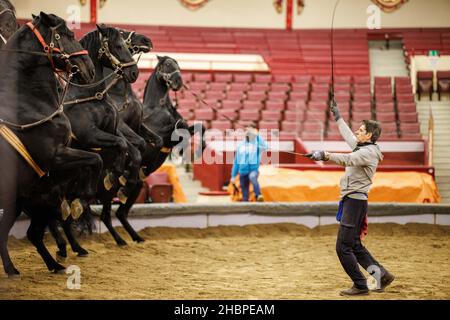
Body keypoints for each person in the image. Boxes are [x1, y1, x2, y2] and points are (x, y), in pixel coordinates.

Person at [306, 101, 395, 296]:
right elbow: (348, 135)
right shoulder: (363, 147)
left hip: (354, 203)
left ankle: (360, 285)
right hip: (354, 201)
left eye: (361, 130)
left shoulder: (367, 153)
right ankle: (381, 275)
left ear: (369, 135)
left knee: (342, 247)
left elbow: (348, 159)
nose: (357, 131)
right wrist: (337, 117)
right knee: (354, 245)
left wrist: (324, 154)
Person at [231, 123, 267, 202]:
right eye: (247, 131)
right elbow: (236, 161)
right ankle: (246, 205)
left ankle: (258, 195)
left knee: (252, 177)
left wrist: (257, 135)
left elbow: (265, 147)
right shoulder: (240, 145)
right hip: (242, 172)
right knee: (245, 195)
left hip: (253, 170)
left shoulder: (257, 143)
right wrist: (233, 176)